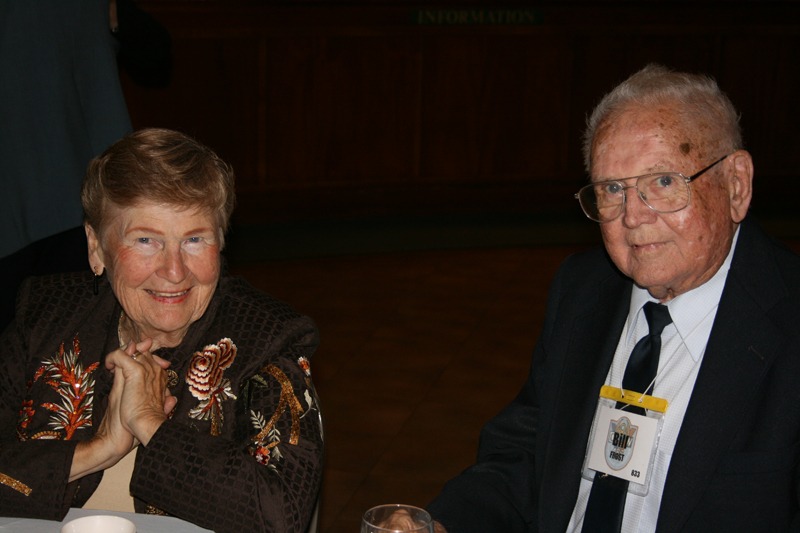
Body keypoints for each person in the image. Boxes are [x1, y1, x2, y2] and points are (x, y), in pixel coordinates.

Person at [424, 64, 800, 531]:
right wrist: (442, 524)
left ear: (736, 185)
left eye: (663, 182)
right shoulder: (584, 290)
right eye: (612, 189)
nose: (633, 216)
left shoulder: (789, 326)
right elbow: (528, 453)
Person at [0, 128, 323, 533]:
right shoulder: (47, 315)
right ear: (96, 247)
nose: (174, 271)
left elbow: (283, 517)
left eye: (194, 239)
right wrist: (96, 451)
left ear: (221, 242)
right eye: (146, 240)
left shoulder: (268, 339)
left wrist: (150, 424)